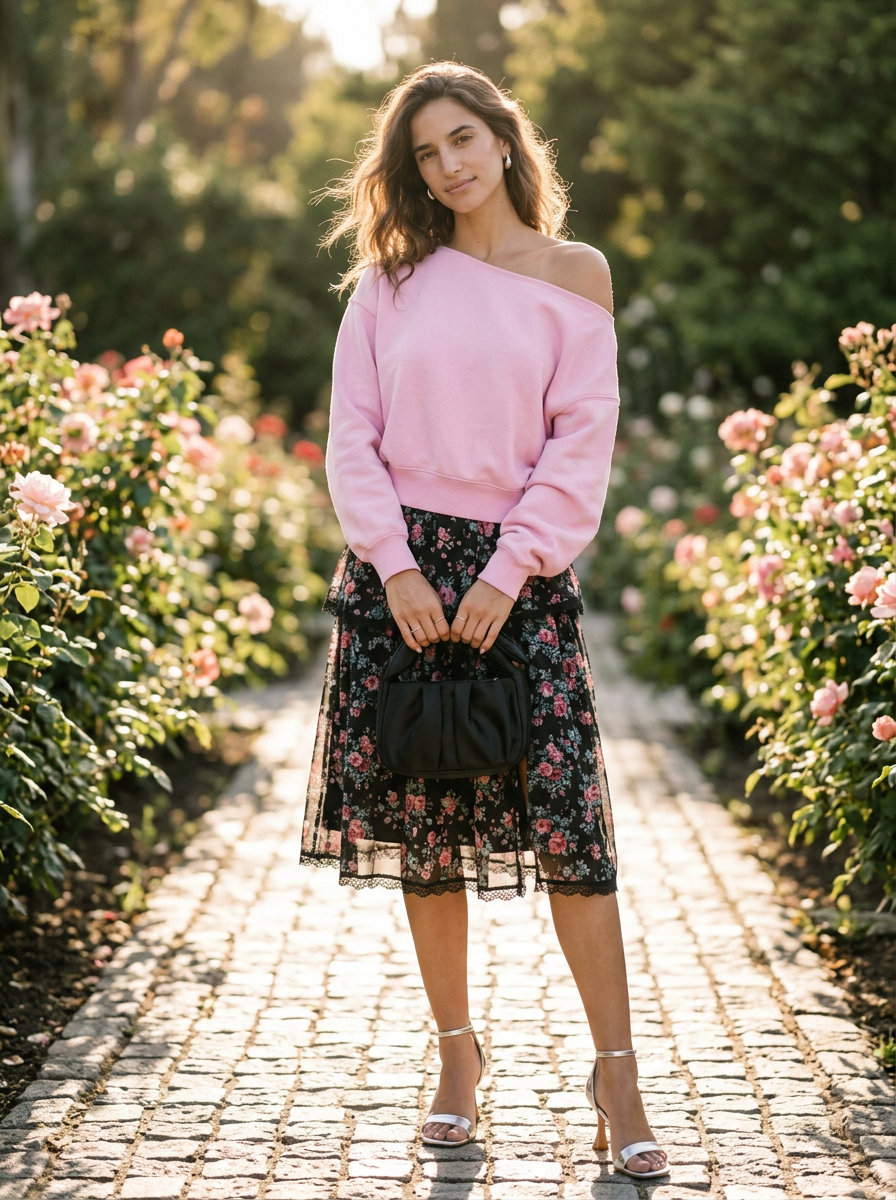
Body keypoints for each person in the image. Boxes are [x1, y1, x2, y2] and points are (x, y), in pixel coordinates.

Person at [301, 61, 668, 1180]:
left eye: (463, 138)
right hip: (399, 582)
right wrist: (398, 569)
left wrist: (507, 574)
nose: (448, 164)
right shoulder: (391, 282)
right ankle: (456, 1058)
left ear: (504, 140)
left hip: (519, 578)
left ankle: (616, 1074)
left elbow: (579, 440)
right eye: (425, 152)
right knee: (427, 837)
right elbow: (349, 438)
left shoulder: (575, 275)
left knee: (571, 835)